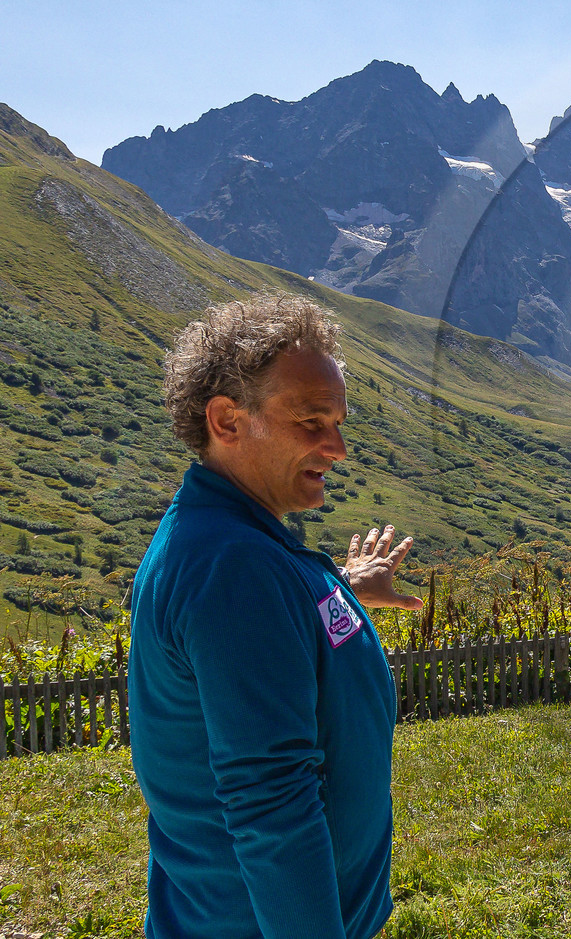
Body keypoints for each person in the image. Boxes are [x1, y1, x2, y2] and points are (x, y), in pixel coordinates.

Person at [129, 292, 423, 939]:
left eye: (339, 421)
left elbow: (264, 636)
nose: (337, 446)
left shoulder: (237, 542)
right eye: (312, 420)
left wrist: (344, 587)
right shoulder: (234, 568)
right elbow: (271, 806)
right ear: (228, 420)